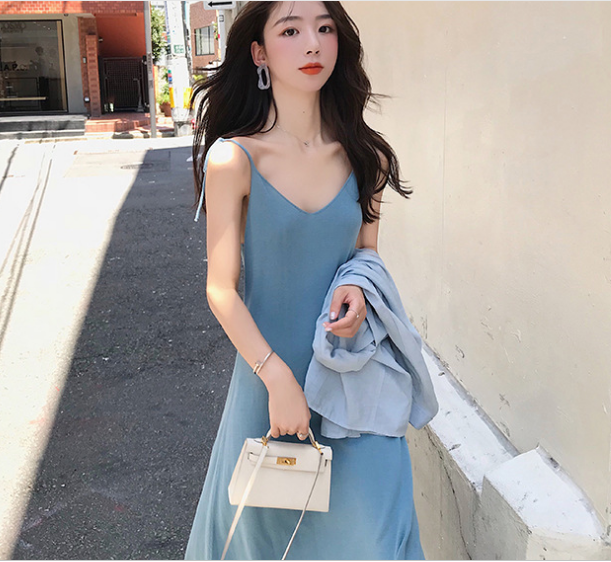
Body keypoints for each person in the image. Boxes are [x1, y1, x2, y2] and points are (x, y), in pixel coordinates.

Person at [186, 2, 425, 559]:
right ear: (259, 53)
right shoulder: (234, 159)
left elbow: (365, 253)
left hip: (354, 377)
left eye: (324, 29)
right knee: (267, 543)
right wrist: (277, 379)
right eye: (290, 30)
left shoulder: (366, 155)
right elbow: (220, 288)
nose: (312, 43)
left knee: (373, 534)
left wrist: (357, 288)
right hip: (270, 382)